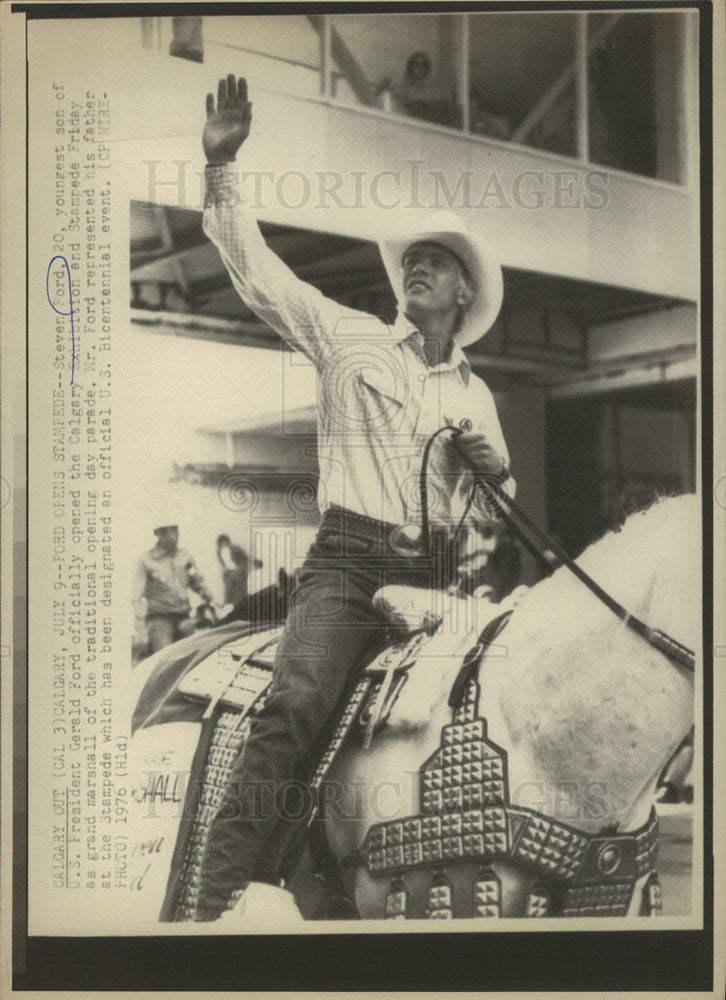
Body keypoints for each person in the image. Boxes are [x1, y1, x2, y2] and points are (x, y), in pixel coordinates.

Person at [196, 75, 515, 923]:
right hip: (347, 566)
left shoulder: (478, 398)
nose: (416, 265)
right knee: (298, 699)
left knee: (492, 713)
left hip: (441, 582)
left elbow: (494, 510)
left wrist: (492, 475)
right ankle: (220, 892)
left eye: (435, 262)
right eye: (412, 257)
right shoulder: (349, 338)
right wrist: (222, 168)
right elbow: (258, 273)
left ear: (462, 298)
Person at [132, 523, 214, 656]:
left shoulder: (185, 556)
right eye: (172, 530)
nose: (177, 534)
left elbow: (197, 581)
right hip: (160, 620)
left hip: (184, 617)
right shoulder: (146, 561)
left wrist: (208, 597)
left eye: (177, 530)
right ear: (160, 533)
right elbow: (136, 597)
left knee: (196, 655)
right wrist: (140, 630)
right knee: (165, 659)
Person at [216, 533, 263, 608]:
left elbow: (246, 558)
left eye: (223, 543)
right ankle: (228, 601)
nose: (223, 545)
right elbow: (224, 565)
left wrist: (251, 564)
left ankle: (238, 602)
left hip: (241, 570)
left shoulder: (235, 548)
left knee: (236, 581)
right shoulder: (224, 551)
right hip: (236, 571)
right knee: (227, 576)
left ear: (226, 541)